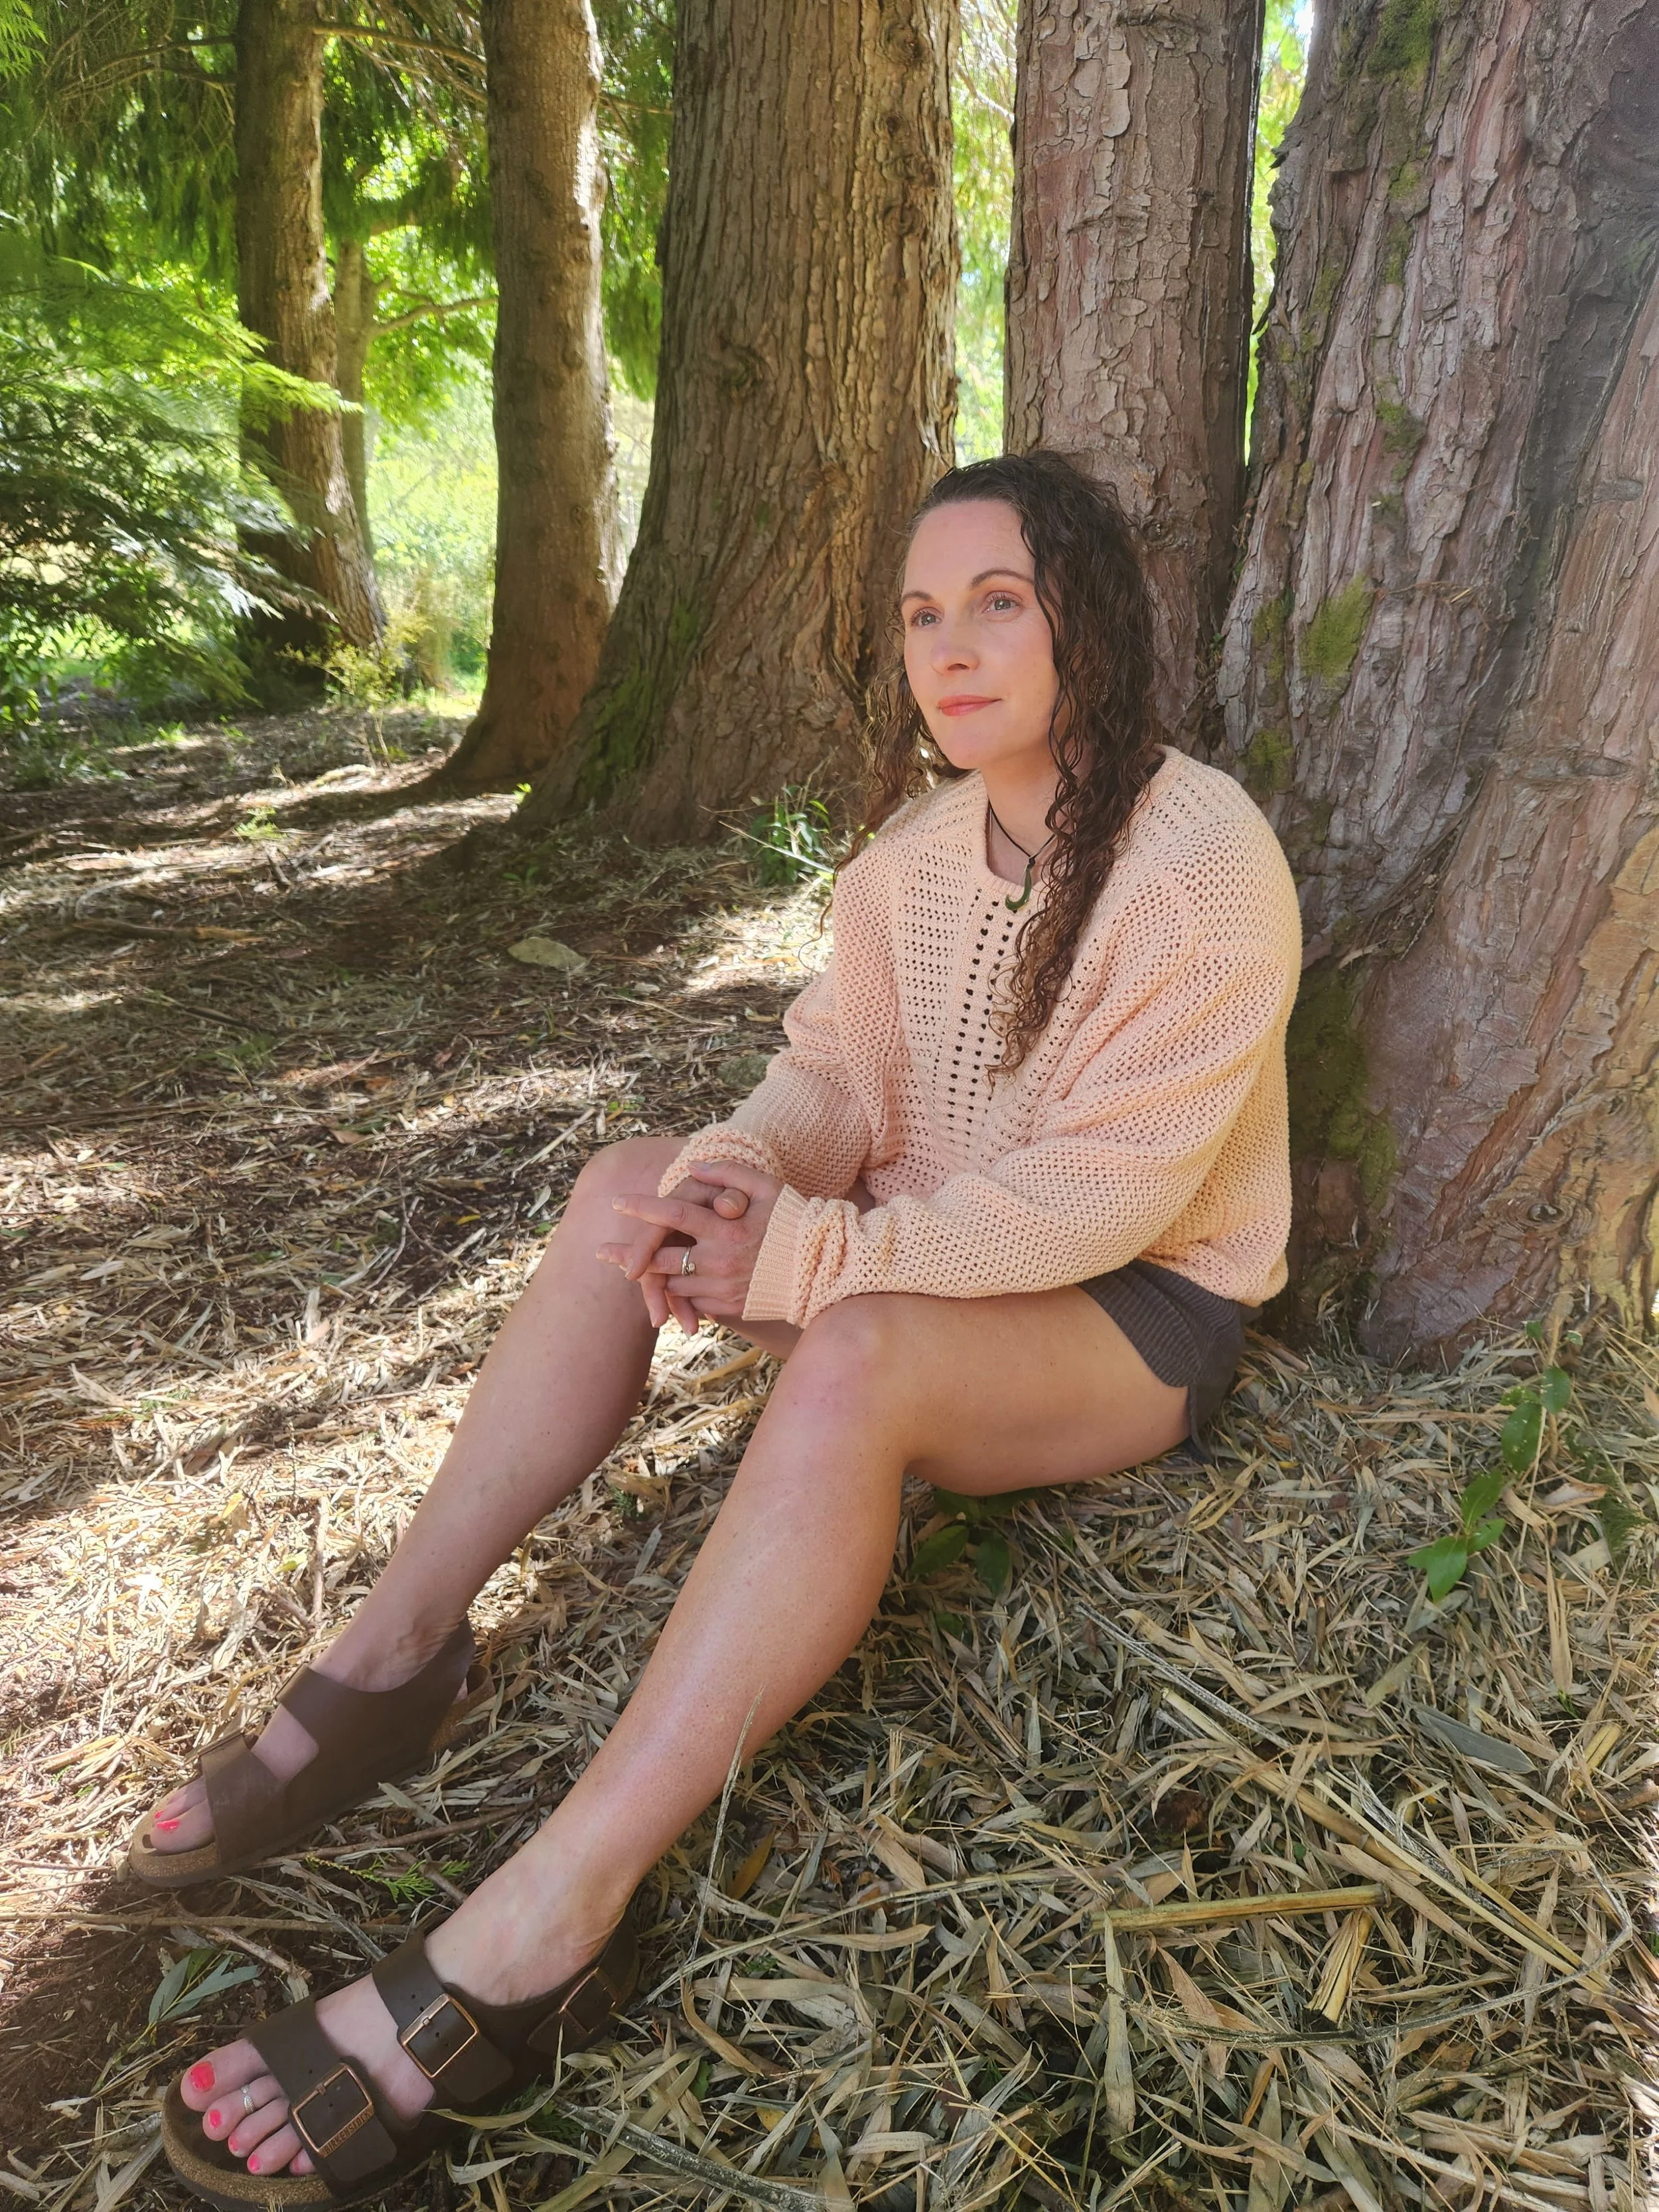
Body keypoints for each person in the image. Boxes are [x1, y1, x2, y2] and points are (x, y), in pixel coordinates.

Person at [145, 451, 1302, 2208]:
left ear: (1091, 618)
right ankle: (394, 1659)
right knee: (630, 1183)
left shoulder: (1202, 858)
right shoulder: (912, 858)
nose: (950, 646)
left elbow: (1098, 1205)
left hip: (1123, 1311)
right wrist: (735, 1181)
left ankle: (539, 1925)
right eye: (921, 612)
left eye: (999, 602)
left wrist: (810, 1262)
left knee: (854, 1354)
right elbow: (832, 1078)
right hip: (911, 1252)